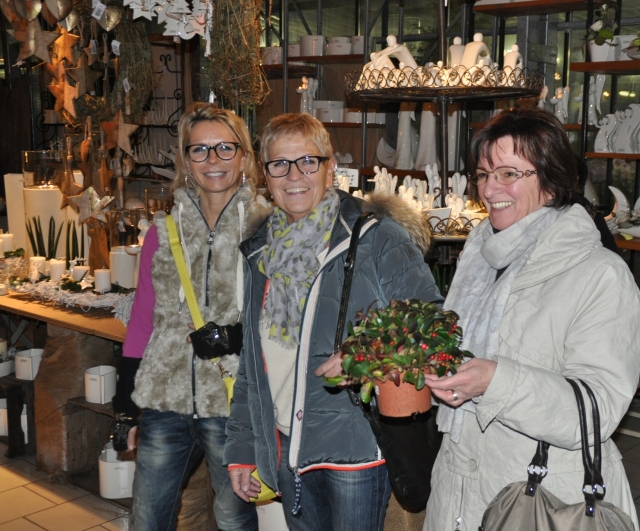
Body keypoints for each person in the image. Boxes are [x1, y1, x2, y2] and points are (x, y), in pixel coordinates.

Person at [423, 108, 640, 531]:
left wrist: (496, 382)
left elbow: (597, 410)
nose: (490, 189)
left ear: (551, 179)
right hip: (458, 486)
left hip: (543, 497)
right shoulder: (479, 259)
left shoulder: (599, 274)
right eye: (483, 174)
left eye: (508, 173)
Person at [224, 112, 442, 531]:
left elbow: (431, 323)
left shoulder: (376, 237)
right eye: (280, 164)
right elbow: (252, 364)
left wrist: (366, 353)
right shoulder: (258, 252)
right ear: (265, 176)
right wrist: (242, 447)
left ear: (330, 169)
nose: (294, 175)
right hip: (285, 447)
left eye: (308, 161)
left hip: (353, 449)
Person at [113, 102, 268, 531]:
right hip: (166, 399)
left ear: (244, 157)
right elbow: (143, 321)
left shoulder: (267, 228)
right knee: (148, 518)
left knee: (233, 518)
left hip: (232, 402)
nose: (213, 160)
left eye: (225, 148)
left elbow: (283, 317)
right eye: (199, 150)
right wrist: (125, 405)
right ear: (185, 160)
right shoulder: (162, 232)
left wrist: (234, 336)